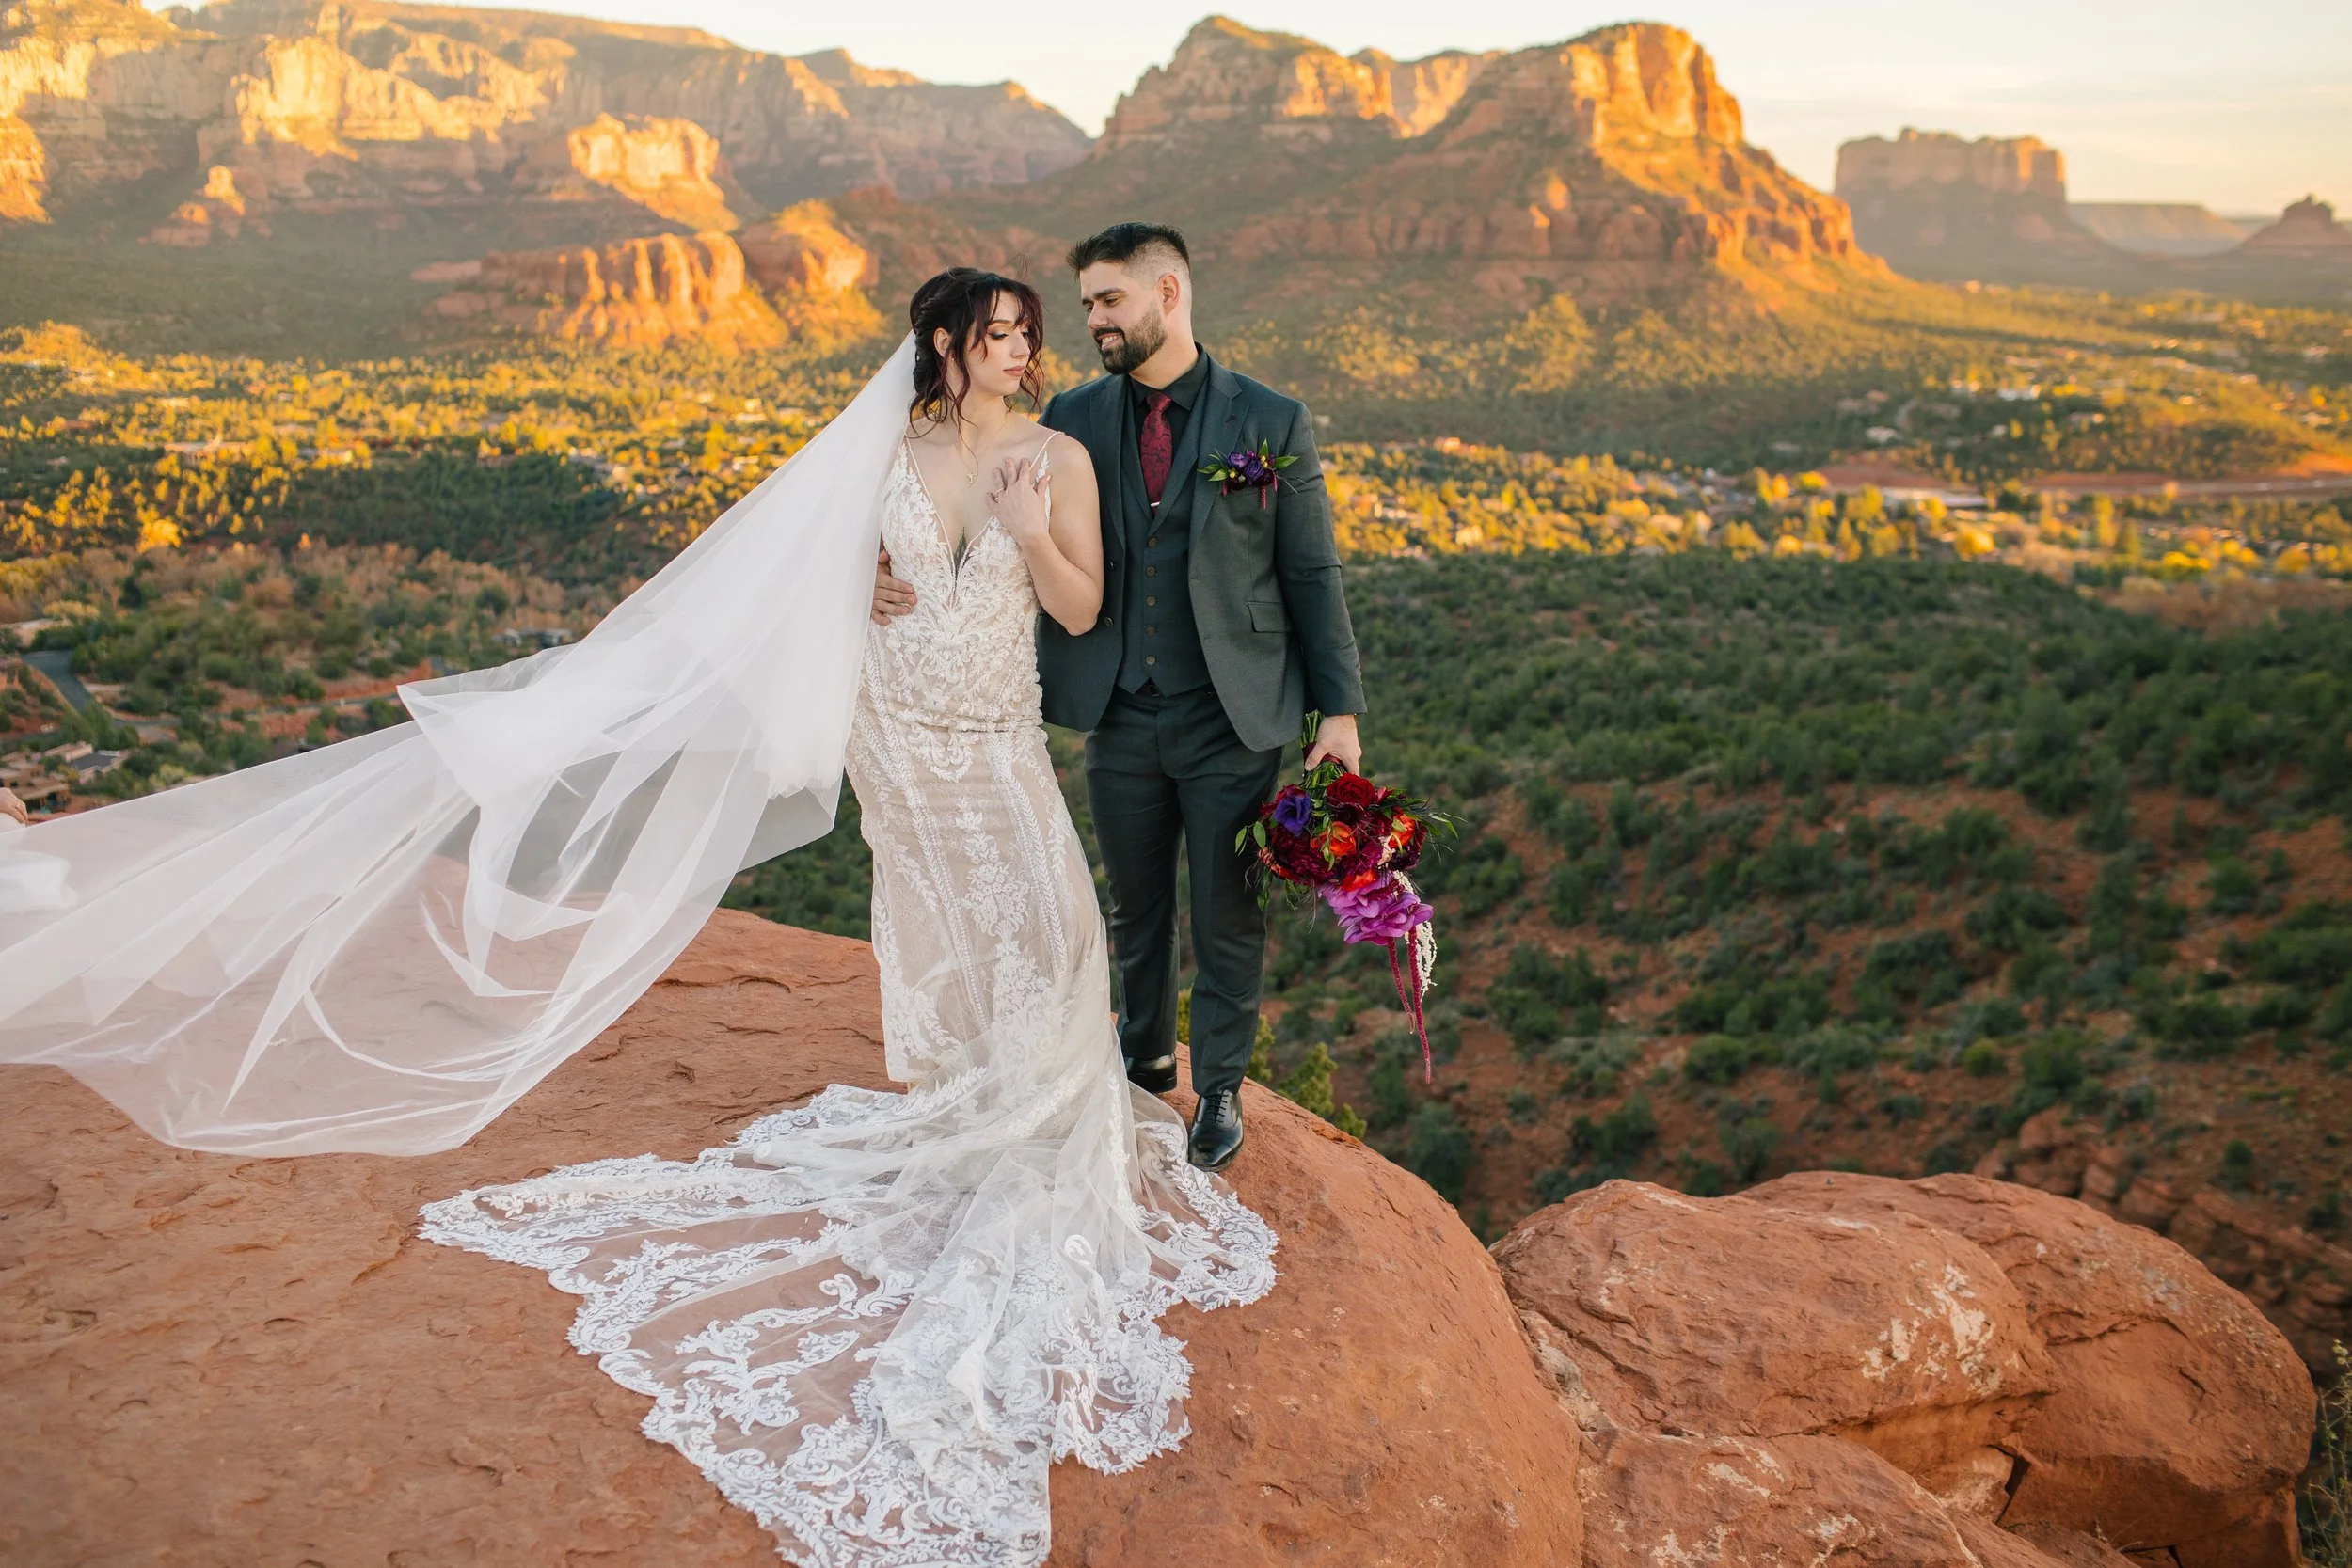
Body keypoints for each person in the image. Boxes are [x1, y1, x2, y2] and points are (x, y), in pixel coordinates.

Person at [0, 273, 1277, 1568]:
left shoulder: (1054, 452)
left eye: (1027, 334)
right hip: (894, 723)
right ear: (947, 344)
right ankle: (964, 1076)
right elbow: (806, 572)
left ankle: (1027, 1103)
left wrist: (1032, 524)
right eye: (998, 334)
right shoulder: (883, 448)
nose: (1021, 351)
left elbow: (1077, 606)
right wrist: (867, 595)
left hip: (992, 728)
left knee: (1045, 910)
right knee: (940, 911)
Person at [874, 222, 1367, 1173]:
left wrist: (1335, 716)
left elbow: (1311, 571)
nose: (1091, 319)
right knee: (1133, 904)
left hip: (1235, 711)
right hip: (1117, 707)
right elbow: (980, 512)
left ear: (1167, 294)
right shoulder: (1074, 416)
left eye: (1107, 301)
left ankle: (1217, 1085)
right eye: (1089, 303)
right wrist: (885, 561)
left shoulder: (1271, 417)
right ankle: (1143, 1055)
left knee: (1226, 905)